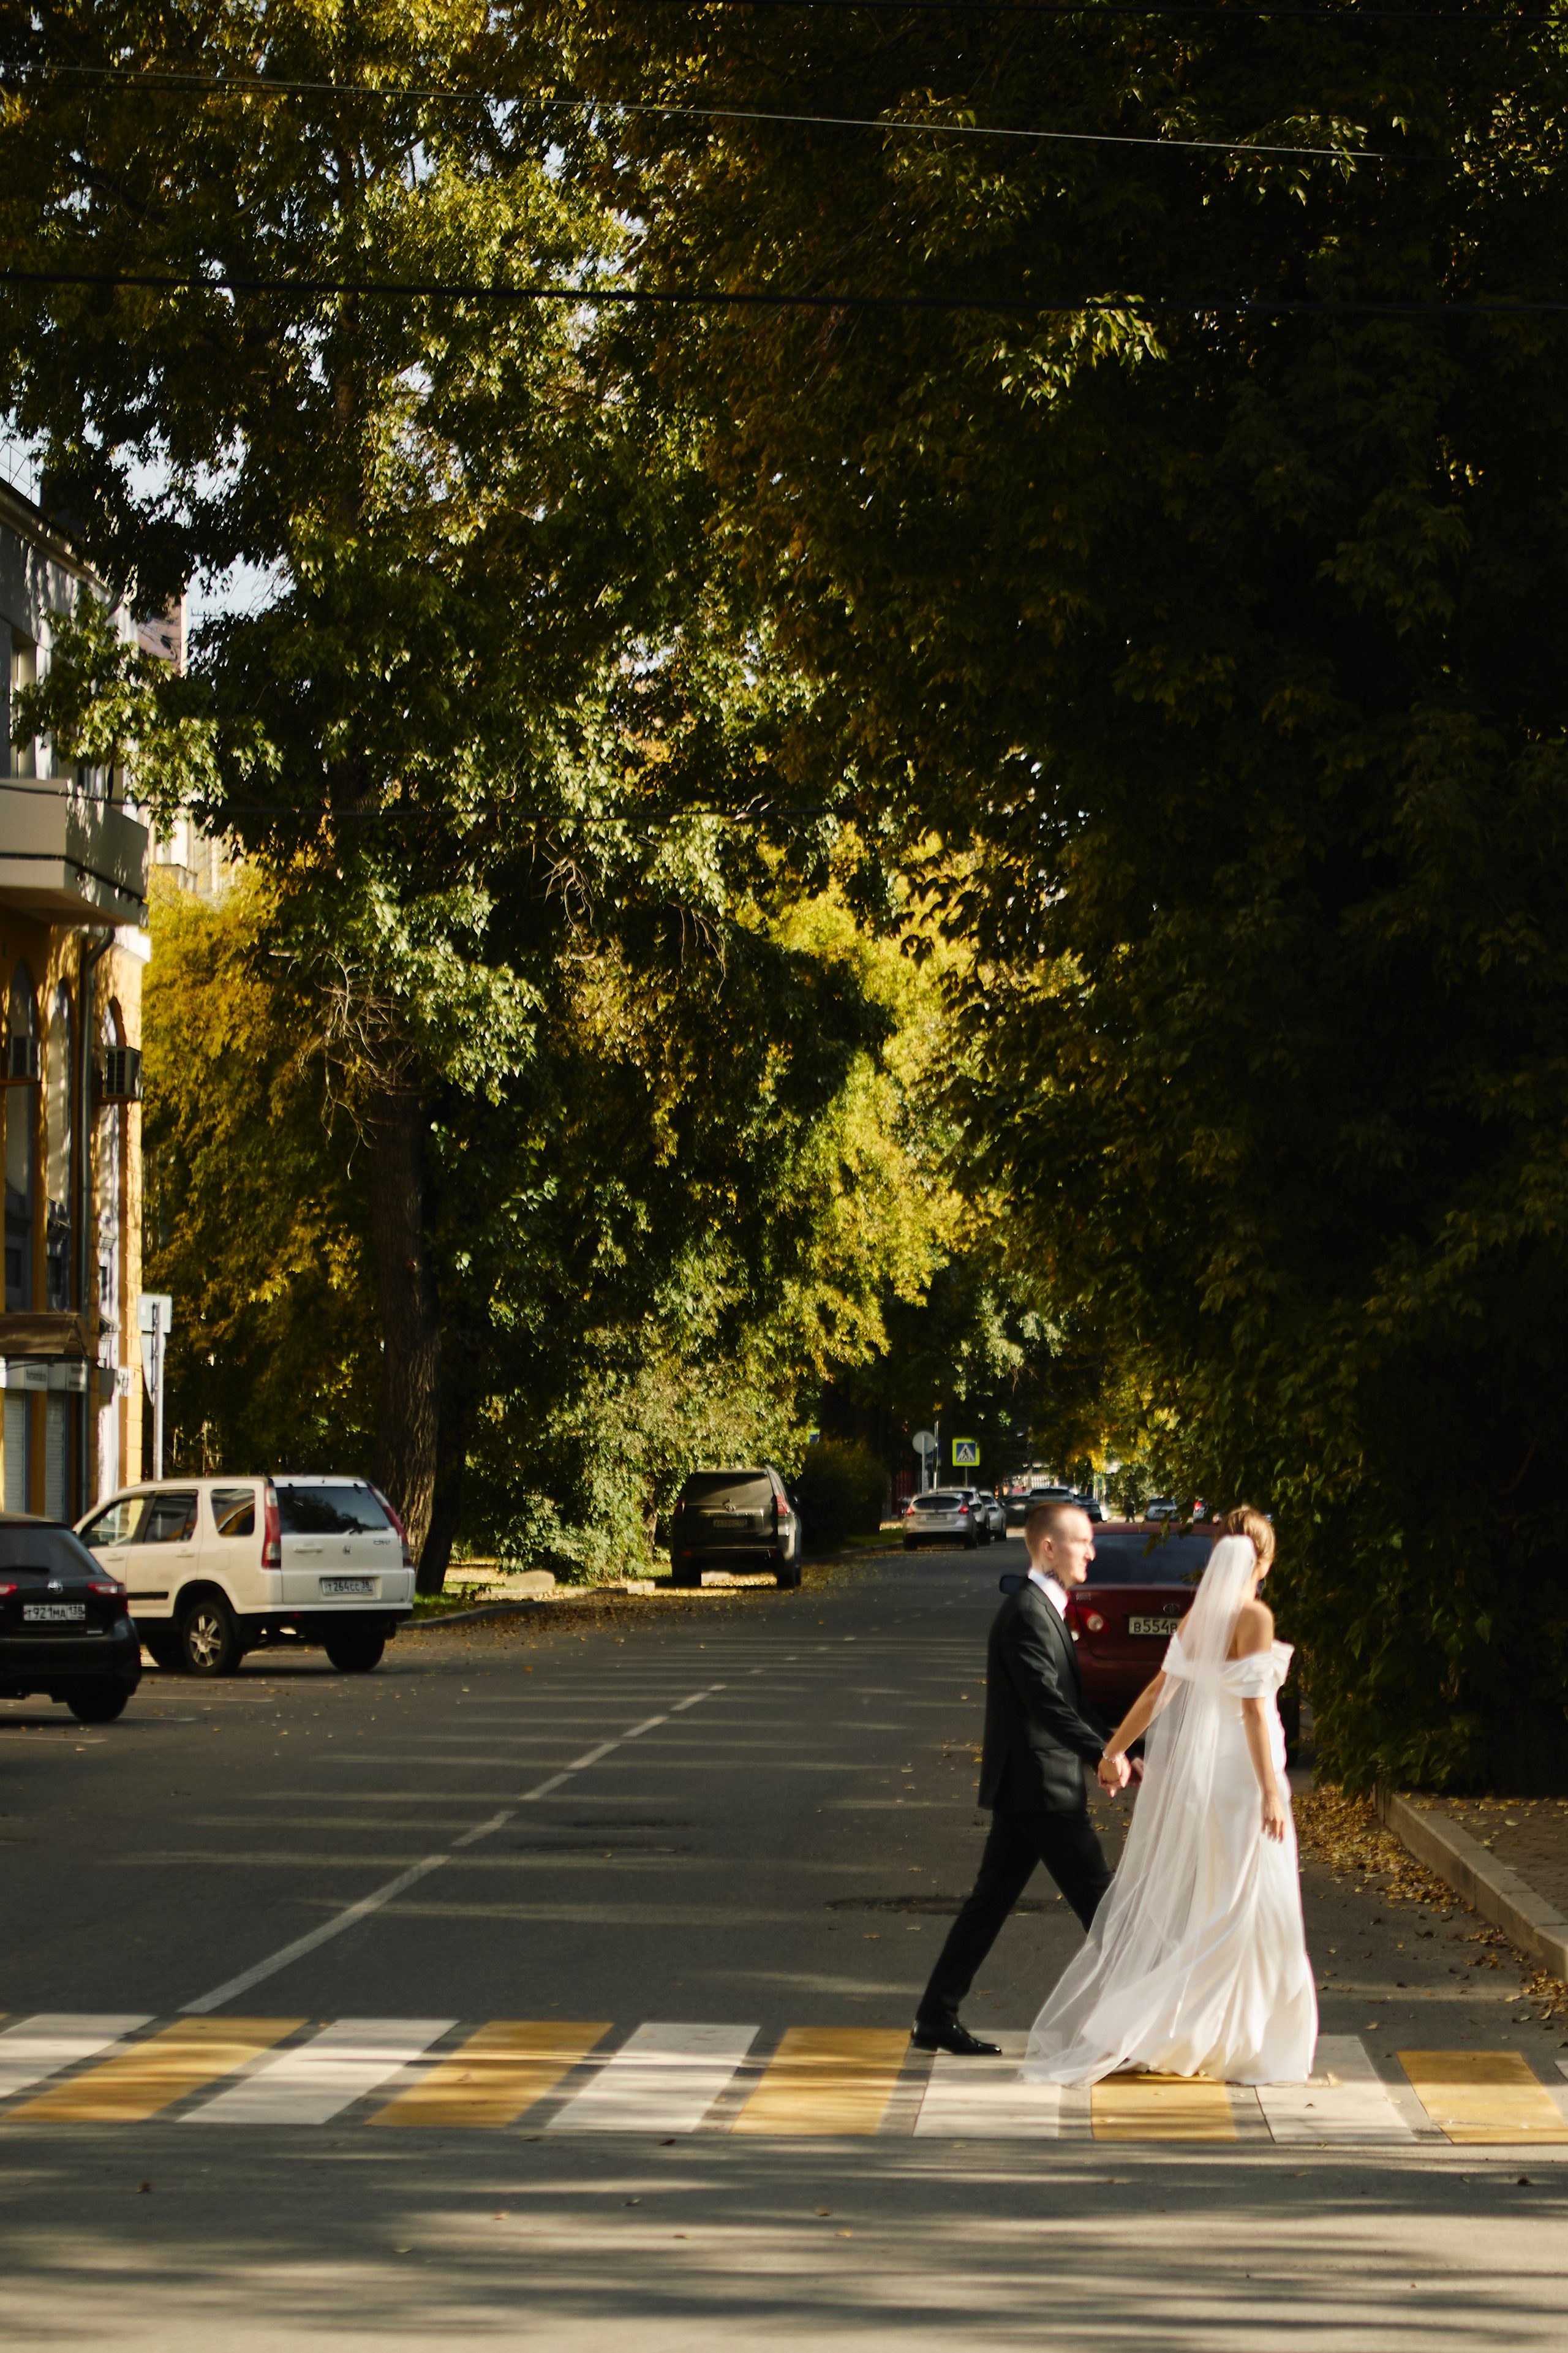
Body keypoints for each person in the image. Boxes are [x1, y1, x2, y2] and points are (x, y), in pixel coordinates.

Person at [1022, 1506, 1317, 2086]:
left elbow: (1158, 1691)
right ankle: (1191, 2030)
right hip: (1243, 1778)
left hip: (1211, 1781)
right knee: (1253, 1908)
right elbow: (1257, 1713)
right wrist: (1270, 1793)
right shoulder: (1253, 1616)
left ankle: (1216, 2034)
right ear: (1263, 1561)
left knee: (1224, 1905)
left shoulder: (1197, 1619)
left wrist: (1113, 1750)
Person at [911, 1500, 1120, 2058]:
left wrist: (1125, 1748)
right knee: (1108, 1909)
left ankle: (936, 2014)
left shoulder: (1044, 1608)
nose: (1092, 1552)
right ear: (1049, 1547)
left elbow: (1074, 1702)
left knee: (989, 1905)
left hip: (1030, 1788)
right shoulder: (1028, 1612)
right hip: (1042, 1789)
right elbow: (1047, 1704)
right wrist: (1103, 1753)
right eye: (1082, 1542)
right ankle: (1141, 2025)